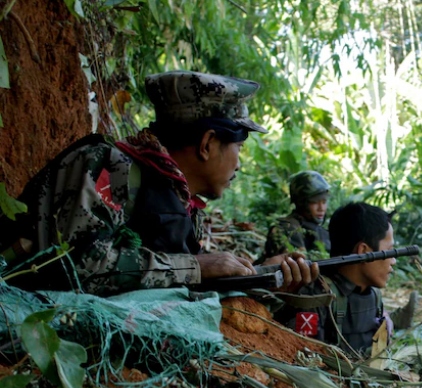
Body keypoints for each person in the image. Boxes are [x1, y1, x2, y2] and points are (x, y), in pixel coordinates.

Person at [0, 70, 317, 295]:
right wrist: (194, 266)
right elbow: (77, 266)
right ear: (207, 144)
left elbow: (164, 281)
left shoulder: (177, 198)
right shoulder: (109, 166)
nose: (239, 163)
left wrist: (260, 275)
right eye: (239, 148)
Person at [277, 202, 396, 356]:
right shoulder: (316, 298)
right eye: (389, 250)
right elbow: (303, 358)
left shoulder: (372, 295)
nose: (393, 260)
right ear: (364, 251)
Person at [262, 170, 331, 259]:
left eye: (324, 202)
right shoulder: (287, 228)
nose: (321, 208)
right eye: (314, 202)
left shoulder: (322, 231)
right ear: (301, 203)